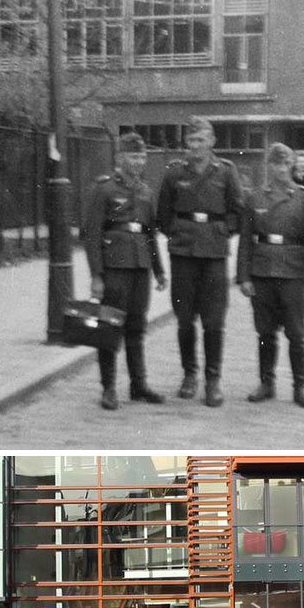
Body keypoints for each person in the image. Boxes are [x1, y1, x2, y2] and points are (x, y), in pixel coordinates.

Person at [157, 116, 244, 407]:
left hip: (215, 255)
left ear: (212, 142)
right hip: (183, 254)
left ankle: (212, 379)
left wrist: (219, 232)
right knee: (184, 321)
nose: (196, 146)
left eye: (201, 140)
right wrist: (181, 233)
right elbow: (163, 215)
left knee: (214, 321)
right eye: (191, 140)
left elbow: (237, 212)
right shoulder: (174, 173)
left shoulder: (226, 172)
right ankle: (189, 375)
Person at [83, 132, 167, 411]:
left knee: (137, 326)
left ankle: (138, 385)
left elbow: (150, 234)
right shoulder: (104, 189)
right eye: (133, 156)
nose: (139, 161)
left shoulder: (145, 190)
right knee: (109, 328)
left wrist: (158, 271)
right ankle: (108, 388)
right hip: (114, 268)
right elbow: (92, 235)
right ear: (120, 158)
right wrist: (96, 275)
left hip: (140, 267)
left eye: (142, 156)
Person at [237, 143, 304, 406]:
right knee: (265, 332)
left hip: (293, 273)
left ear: (293, 166)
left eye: (286, 164)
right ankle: (266, 382)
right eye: (276, 164)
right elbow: (245, 241)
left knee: (296, 333)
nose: (282, 169)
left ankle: (300, 388)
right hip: (262, 272)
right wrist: (244, 276)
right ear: (268, 166)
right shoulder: (255, 197)